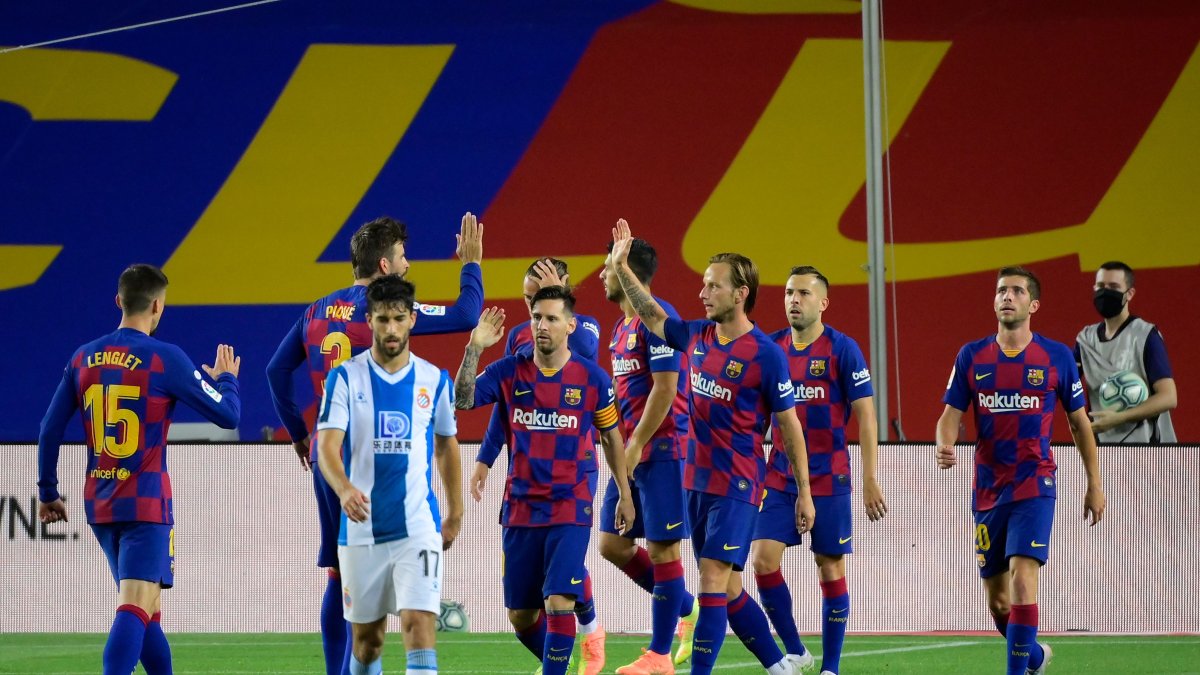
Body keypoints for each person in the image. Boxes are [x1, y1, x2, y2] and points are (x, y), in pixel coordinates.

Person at [265, 213, 483, 675]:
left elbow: (275, 370)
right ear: (384, 265)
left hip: (331, 460)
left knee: (338, 573)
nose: (407, 264)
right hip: (378, 455)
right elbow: (466, 315)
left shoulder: (316, 311)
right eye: (402, 256)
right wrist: (471, 264)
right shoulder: (387, 310)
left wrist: (300, 434)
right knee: (382, 597)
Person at [610, 219, 816, 675]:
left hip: (738, 484)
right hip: (695, 481)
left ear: (741, 293)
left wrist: (804, 492)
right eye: (703, 284)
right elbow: (652, 315)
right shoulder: (699, 336)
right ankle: (780, 665)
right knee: (729, 589)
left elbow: (790, 427)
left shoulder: (766, 354)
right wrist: (622, 268)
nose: (703, 293)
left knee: (711, 580)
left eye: (713, 286)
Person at [37, 263, 242, 675]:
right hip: (146, 504)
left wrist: (47, 491)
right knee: (135, 605)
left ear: (119, 301)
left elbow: (49, 429)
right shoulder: (165, 358)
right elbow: (228, 416)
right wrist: (226, 380)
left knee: (147, 609)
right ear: (157, 306)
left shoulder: (83, 358)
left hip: (101, 504)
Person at [454, 288, 636, 675]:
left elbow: (611, 437)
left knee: (559, 602)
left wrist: (624, 492)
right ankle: (561, 665)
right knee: (521, 616)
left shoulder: (592, 379)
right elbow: (463, 400)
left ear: (570, 326)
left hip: (570, 504)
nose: (542, 325)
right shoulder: (508, 371)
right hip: (520, 508)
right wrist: (474, 348)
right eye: (537, 317)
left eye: (552, 318)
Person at [936, 266, 1106, 675]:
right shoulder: (971, 356)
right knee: (998, 602)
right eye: (1001, 291)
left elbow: (1079, 423)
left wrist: (1094, 483)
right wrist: (944, 442)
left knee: (1023, 579)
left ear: (1034, 305)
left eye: (1016, 291)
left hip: (1035, 482)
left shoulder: (1056, 357)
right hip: (988, 488)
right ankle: (1035, 658)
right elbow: (950, 414)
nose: (1007, 296)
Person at [315, 275, 463, 675]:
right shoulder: (345, 378)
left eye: (399, 318)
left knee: (419, 625)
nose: (391, 329)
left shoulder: (434, 380)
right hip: (361, 529)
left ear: (412, 319)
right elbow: (326, 446)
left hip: (418, 525)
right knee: (368, 643)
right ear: (370, 321)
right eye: (382, 319)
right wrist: (344, 489)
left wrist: (455, 512)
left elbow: (447, 445)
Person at [754, 266, 886, 675]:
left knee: (829, 566)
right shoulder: (771, 348)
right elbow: (755, 411)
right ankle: (796, 651)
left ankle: (830, 667)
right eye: (789, 292)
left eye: (804, 293)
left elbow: (866, 416)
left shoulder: (843, 349)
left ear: (823, 302)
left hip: (830, 476)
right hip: (780, 476)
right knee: (762, 561)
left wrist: (869, 477)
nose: (794, 300)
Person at [596, 238, 700, 675]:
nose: (601, 274)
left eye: (608, 267)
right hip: (631, 454)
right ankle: (687, 608)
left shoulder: (658, 318)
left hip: (664, 451)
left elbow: (666, 387)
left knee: (662, 551)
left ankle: (659, 656)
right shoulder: (620, 328)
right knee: (612, 544)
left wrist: (635, 443)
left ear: (627, 273)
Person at [1075, 260, 1177, 443]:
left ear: (1129, 294)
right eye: (1100, 286)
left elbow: (1168, 397)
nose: (1105, 292)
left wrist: (1120, 418)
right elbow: (1062, 381)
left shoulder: (1145, 335)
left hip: (1146, 446)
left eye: (1114, 287)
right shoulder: (1085, 339)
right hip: (1101, 444)